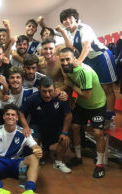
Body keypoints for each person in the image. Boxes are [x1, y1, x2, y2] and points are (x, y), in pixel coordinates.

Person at [57, 8, 117, 127]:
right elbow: (71, 49)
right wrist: (63, 33)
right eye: (64, 19)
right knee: (95, 86)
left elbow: (87, 46)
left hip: (101, 56)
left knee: (107, 87)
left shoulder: (84, 28)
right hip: (89, 59)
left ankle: (110, 118)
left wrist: (78, 61)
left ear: (75, 18)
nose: (67, 21)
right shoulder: (68, 31)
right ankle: (98, 115)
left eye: (70, 17)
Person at [59, 47, 107, 178]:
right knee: (75, 127)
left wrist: (70, 84)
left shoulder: (84, 72)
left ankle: (100, 164)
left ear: (74, 59)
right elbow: (66, 78)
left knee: (98, 134)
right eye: (62, 60)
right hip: (82, 105)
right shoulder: (66, 69)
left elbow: (86, 94)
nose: (64, 63)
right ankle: (78, 157)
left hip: (97, 105)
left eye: (67, 59)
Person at [20, 77, 72, 173]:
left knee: (66, 138)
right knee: (30, 137)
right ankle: (36, 160)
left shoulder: (61, 97)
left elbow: (68, 115)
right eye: (44, 91)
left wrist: (64, 132)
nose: (47, 95)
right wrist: (26, 127)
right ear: (39, 89)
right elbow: (21, 113)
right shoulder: (33, 98)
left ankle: (58, 162)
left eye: (50, 91)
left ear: (55, 89)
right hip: (38, 126)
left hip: (56, 126)